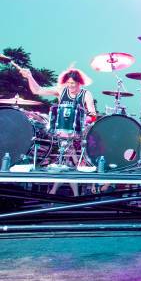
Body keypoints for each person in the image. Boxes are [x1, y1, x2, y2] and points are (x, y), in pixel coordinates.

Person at [20, 66, 96, 196]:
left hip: (77, 134)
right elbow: (37, 90)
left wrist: (84, 120)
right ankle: (69, 193)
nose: (70, 85)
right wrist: (29, 77)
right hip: (61, 133)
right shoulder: (61, 90)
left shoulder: (86, 94)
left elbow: (93, 113)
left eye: (73, 83)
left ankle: (58, 191)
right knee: (66, 162)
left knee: (68, 161)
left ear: (79, 83)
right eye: (68, 83)